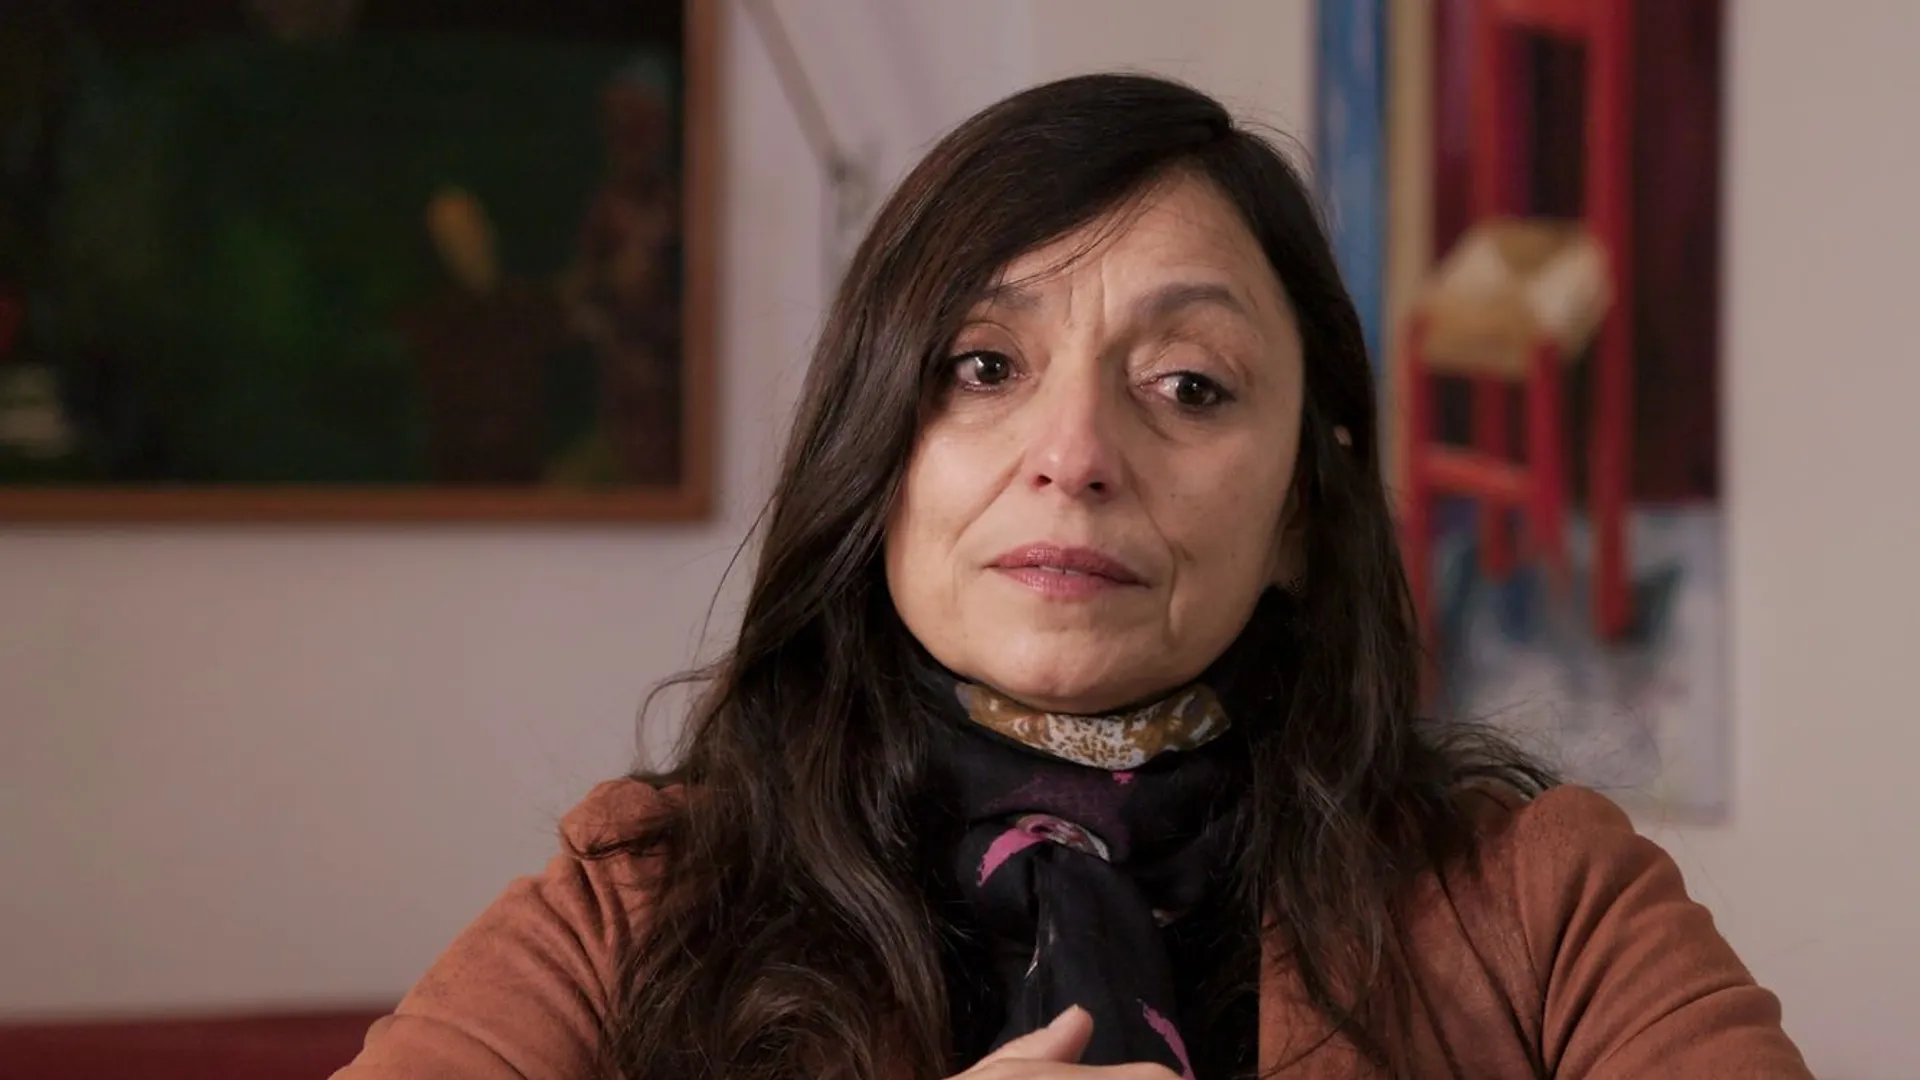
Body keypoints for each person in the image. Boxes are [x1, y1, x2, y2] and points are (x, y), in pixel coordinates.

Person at [333, 74, 1811, 1080]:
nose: (1076, 454)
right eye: (984, 366)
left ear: (1303, 511)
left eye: (1189, 385)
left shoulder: (1548, 911)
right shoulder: (636, 910)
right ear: (878, 454)